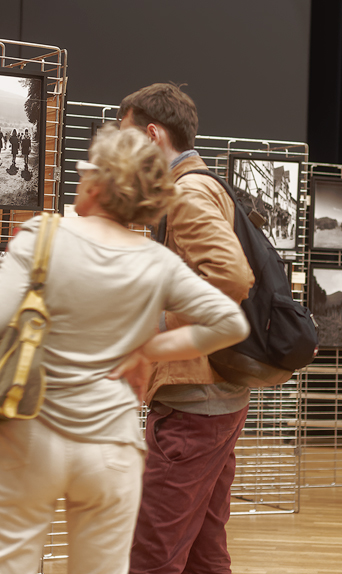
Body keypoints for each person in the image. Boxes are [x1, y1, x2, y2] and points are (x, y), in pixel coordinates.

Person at [0, 125, 249, 574]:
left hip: (29, 434)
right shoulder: (157, 262)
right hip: (111, 448)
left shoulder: (43, 236)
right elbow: (229, 322)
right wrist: (151, 349)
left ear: (98, 182)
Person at [118, 83, 255, 574]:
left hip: (194, 401)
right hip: (214, 395)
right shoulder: (203, 185)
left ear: (152, 135)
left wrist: (156, 337)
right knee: (203, 549)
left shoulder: (187, 191)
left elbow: (232, 278)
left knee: (153, 553)